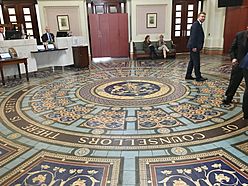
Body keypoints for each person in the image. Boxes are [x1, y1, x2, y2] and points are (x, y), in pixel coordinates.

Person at [222, 26, 248, 115]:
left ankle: (246, 110)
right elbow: (232, 49)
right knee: (233, 82)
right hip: (239, 63)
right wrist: (233, 58)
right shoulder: (240, 35)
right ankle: (228, 98)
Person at [185, 12, 208, 82]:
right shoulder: (196, 25)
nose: (203, 18)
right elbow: (193, 37)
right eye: (202, 16)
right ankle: (198, 77)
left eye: (204, 17)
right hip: (194, 47)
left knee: (192, 61)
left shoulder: (198, 25)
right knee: (196, 62)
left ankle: (188, 75)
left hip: (194, 47)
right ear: (198, 17)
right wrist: (194, 47)